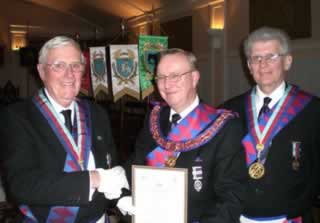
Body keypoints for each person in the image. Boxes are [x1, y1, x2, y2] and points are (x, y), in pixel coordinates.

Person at [0, 36, 130, 222]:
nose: (69, 74)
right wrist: (93, 179)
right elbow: (21, 186)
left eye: (76, 66)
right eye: (59, 65)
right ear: (42, 71)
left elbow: (110, 169)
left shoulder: (97, 113)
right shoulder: (17, 116)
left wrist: (122, 197)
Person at [124, 48, 248, 222]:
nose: (167, 84)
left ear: (195, 78)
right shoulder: (153, 118)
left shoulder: (225, 127)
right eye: (161, 77)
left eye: (175, 76)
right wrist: (123, 194)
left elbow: (231, 196)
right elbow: (136, 162)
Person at [220, 27, 320, 223]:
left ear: (287, 61)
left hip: (291, 218)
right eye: (255, 58)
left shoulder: (313, 111)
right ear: (248, 65)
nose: (262, 64)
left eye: (271, 56)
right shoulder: (228, 111)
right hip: (238, 217)